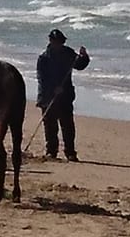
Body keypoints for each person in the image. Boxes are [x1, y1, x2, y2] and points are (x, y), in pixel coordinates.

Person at [36, 28, 90, 161]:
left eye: (60, 42)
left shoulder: (68, 53)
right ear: (51, 41)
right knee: (50, 126)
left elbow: (79, 65)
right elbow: (42, 78)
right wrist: (52, 90)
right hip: (48, 97)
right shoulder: (44, 57)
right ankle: (51, 151)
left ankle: (70, 152)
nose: (59, 44)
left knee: (67, 125)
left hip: (65, 96)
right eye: (56, 42)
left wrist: (84, 57)